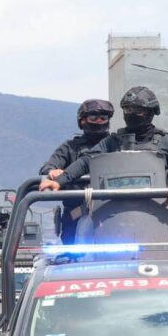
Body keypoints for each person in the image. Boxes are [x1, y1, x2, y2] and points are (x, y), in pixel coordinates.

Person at [39, 86, 168, 192]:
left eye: (137, 110)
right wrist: (59, 181)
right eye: (127, 110)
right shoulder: (112, 142)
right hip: (114, 213)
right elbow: (86, 161)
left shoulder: (166, 142)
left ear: (151, 113)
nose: (131, 115)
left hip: (156, 213)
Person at [39, 99, 115, 244]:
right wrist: (52, 171)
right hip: (76, 214)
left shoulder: (115, 144)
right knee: (72, 257)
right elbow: (48, 166)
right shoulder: (70, 147)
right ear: (82, 120)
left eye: (103, 118)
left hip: (111, 211)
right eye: (93, 117)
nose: (99, 121)